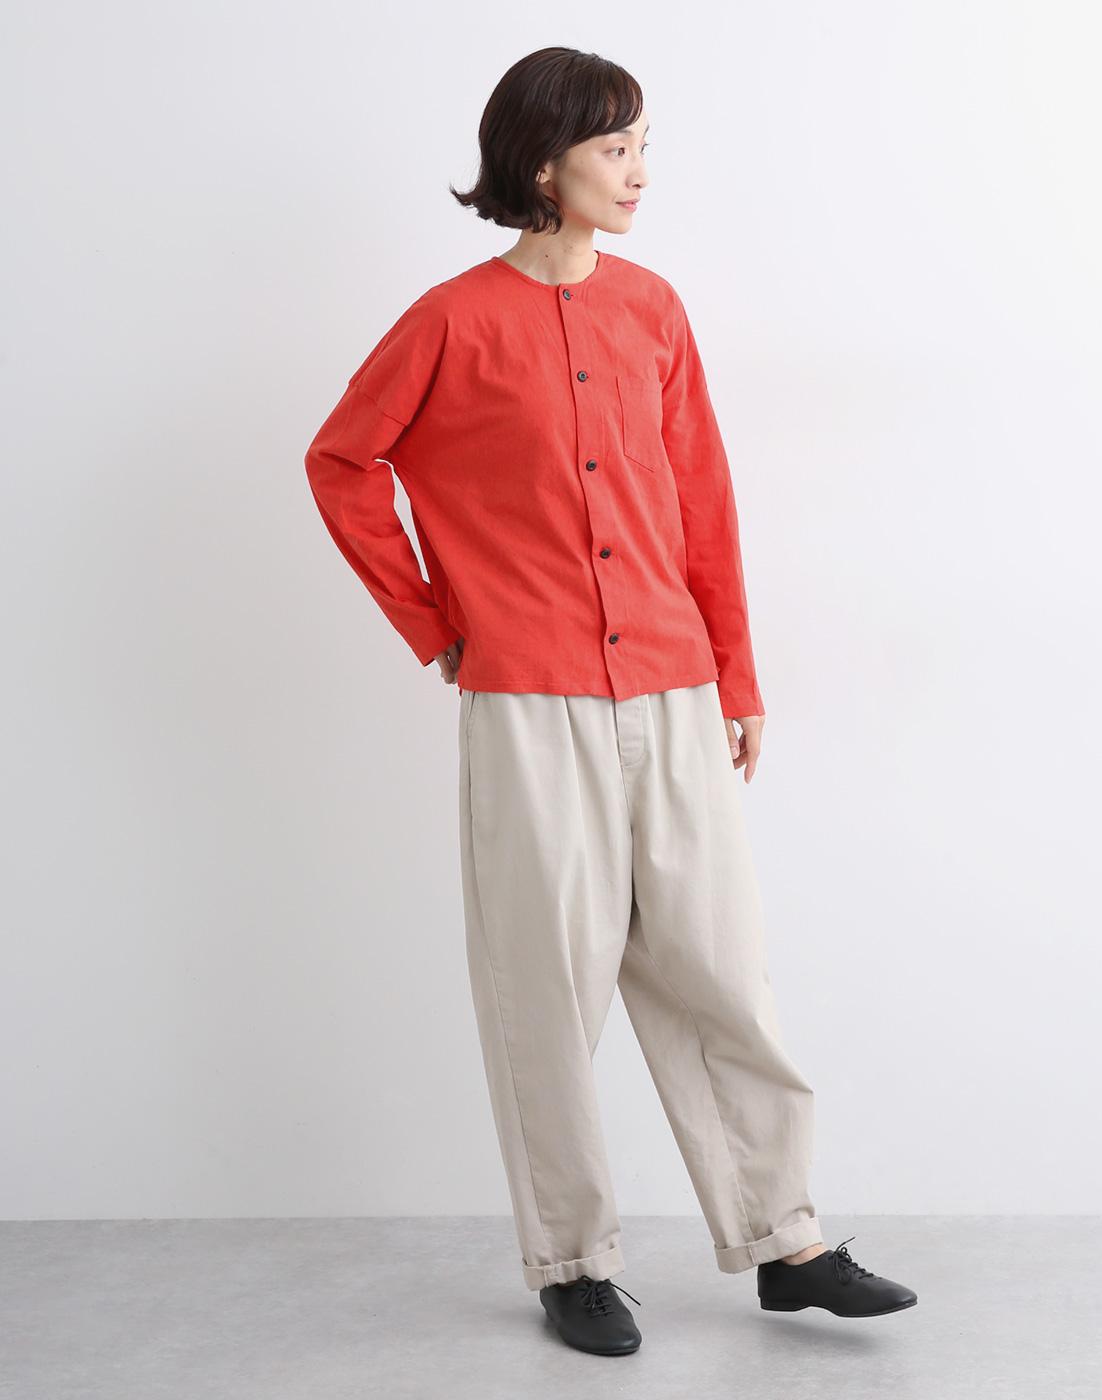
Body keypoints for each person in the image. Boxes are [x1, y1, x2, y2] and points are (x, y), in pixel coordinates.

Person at [304, 46, 917, 1356]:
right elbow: (343, 462)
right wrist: (434, 622)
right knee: (548, 988)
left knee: (720, 971)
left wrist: (735, 671)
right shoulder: (451, 322)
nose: (640, 172)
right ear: (544, 165)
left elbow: (702, 497)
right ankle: (573, 1263)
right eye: (615, 148)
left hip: (673, 687)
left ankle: (787, 1242)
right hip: (530, 702)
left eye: (643, 146)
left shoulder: (653, 310)